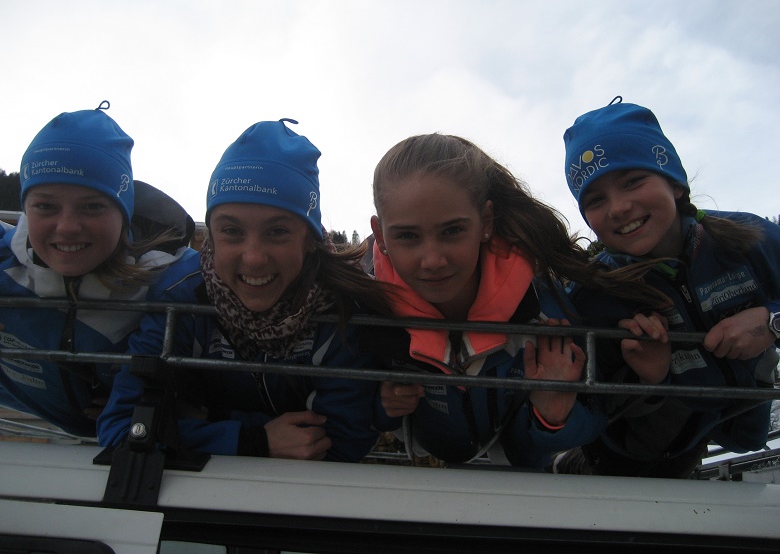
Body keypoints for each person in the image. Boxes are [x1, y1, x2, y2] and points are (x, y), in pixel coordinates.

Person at [98, 119, 395, 462]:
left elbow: (341, 444)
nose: (253, 258)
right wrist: (252, 439)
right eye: (232, 231)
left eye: (277, 232)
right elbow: (122, 427)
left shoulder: (341, 311)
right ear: (211, 237)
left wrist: (198, 421)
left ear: (310, 240)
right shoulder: (179, 299)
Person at [368, 133, 667, 469]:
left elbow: (599, 414)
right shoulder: (368, 311)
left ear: (486, 222)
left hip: (525, 478)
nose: (433, 260)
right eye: (407, 236)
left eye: (452, 231)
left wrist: (553, 415)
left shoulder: (544, 311)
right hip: (424, 475)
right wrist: (383, 406)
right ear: (381, 235)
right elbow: (350, 410)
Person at [557, 96, 780, 477]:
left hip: (740, 424)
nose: (618, 207)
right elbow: (584, 402)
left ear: (675, 184)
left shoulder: (750, 239)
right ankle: (569, 468)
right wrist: (648, 379)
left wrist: (772, 322)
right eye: (595, 199)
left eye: (633, 181)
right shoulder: (594, 293)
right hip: (630, 455)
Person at [0, 102, 194, 437]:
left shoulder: (169, 281)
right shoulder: (4, 260)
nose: (67, 227)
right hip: (32, 423)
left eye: (92, 206)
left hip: (118, 438)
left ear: (124, 213)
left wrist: (156, 405)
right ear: (26, 210)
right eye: (45, 206)